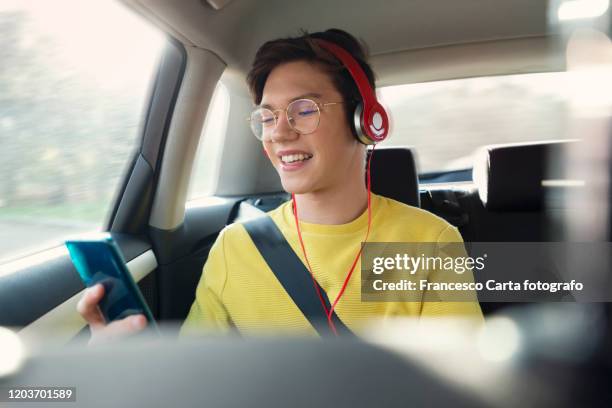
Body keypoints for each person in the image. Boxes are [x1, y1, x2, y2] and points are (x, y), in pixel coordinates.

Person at [78, 29, 483, 343]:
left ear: (365, 120)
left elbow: (460, 386)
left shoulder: (429, 243)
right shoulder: (235, 248)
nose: (279, 133)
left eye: (304, 110)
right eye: (267, 117)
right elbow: (200, 387)